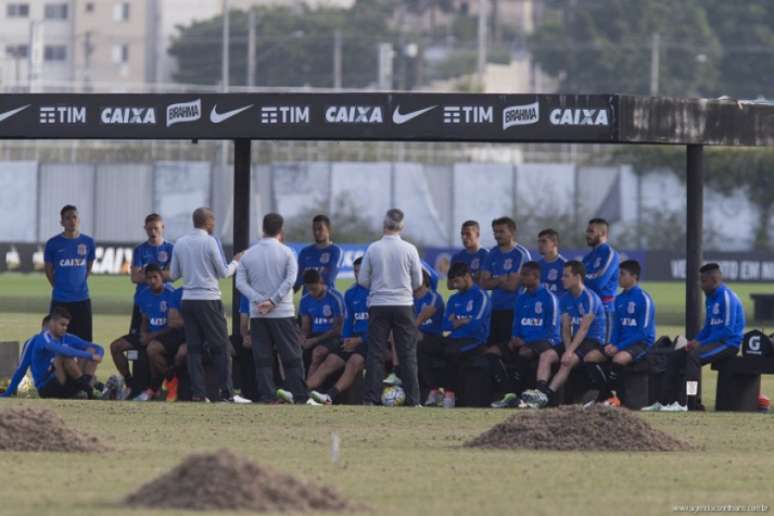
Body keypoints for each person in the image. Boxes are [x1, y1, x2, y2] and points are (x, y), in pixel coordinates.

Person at [169, 207, 247, 403]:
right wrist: (236, 262)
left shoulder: (180, 243)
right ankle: (227, 393)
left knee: (193, 349)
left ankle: (198, 393)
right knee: (220, 347)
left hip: (188, 300)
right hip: (208, 300)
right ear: (208, 222)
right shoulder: (211, 242)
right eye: (213, 221)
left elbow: (173, 275)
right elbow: (223, 272)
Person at [237, 213, 316, 405]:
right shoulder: (288, 253)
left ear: (263, 228)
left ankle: (267, 396)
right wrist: (273, 301)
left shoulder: (248, 254)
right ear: (281, 230)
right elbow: (290, 281)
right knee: (291, 356)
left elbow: (240, 283)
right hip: (282, 312)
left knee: (262, 358)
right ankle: (300, 396)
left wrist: (258, 300)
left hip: (258, 313)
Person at [520, 260, 607, 409]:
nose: (562, 279)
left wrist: (569, 352)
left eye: (566, 276)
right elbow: (566, 328)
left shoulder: (590, 298)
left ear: (578, 277)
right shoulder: (565, 298)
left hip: (591, 340)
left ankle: (546, 396)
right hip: (574, 339)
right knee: (545, 356)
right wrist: (567, 348)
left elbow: (584, 329)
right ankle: (539, 391)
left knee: (567, 361)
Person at [359, 208, 423, 406]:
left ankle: (371, 398)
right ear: (402, 226)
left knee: (376, 353)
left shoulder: (373, 248)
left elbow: (362, 280)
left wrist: (378, 287)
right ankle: (414, 400)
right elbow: (418, 281)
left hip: (379, 304)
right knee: (407, 353)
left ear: (383, 224)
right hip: (404, 304)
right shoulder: (410, 249)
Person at [661, 263, 744, 411]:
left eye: (703, 281)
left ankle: (692, 404)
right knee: (675, 357)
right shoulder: (710, 298)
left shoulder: (726, 297)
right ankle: (668, 402)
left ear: (714, 280)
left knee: (694, 357)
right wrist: (695, 340)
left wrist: (701, 343)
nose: (700, 284)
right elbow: (708, 327)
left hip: (728, 343)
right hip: (714, 342)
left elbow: (728, 330)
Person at [491, 261, 560, 408]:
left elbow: (551, 330)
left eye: (525, 274)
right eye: (521, 274)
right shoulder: (521, 298)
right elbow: (516, 323)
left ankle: (528, 395)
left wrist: (526, 341)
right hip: (523, 340)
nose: (521, 277)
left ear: (536, 276)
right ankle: (509, 394)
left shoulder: (549, 298)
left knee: (524, 352)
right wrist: (514, 338)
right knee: (491, 352)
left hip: (546, 341)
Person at [114, 264, 187, 402]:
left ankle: (161, 386)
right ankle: (130, 384)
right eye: (149, 278)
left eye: (155, 277)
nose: (152, 281)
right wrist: (143, 333)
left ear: (162, 278)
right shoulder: (142, 295)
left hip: (165, 336)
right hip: (150, 335)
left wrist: (150, 337)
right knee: (115, 347)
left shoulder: (171, 293)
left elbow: (173, 326)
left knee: (152, 349)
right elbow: (144, 319)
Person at [422, 262, 491, 408]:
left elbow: (475, 325)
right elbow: (445, 325)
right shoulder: (454, 299)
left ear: (467, 277)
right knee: (423, 345)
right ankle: (434, 389)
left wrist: (457, 321)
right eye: (453, 282)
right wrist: (463, 321)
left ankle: (450, 394)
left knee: (451, 351)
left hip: (475, 341)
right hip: (454, 339)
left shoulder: (481, 296)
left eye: (457, 281)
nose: (455, 285)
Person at [1, 308, 104, 399]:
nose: (64, 328)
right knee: (65, 356)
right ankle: (89, 389)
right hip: (47, 384)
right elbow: (21, 369)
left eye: (66, 325)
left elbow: (97, 347)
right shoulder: (39, 340)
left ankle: (86, 389)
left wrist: (97, 355)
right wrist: (8, 393)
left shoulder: (67, 337)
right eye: (62, 325)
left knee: (90, 350)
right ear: (51, 324)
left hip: (64, 380)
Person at [479, 216, 531, 398]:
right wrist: (503, 278)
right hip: (494, 310)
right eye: (495, 232)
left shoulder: (520, 254)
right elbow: (484, 283)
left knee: (511, 352)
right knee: (491, 351)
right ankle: (500, 392)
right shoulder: (492, 253)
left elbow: (513, 286)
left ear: (512, 231)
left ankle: (514, 392)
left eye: (501, 231)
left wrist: (497, 280)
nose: (497, 235)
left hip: (515, 311)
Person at [308, 256, 369, 405]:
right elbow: (348, 321)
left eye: (360, 271)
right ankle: (301, 393)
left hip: (371, 340)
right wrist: (345, 339)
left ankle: (329, 396)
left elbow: (380, 326)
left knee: (354, 362)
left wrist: (360, 340)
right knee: (331, 360)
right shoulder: (351, 293)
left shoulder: (378, 293)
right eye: (355, 271)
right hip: (353, 339)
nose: (357, 274)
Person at [602, 259, 656, 407]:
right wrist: (611, 344)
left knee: (618, 359)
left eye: (622, 274)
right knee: (595, 356)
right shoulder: (618, 299)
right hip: (622, 343)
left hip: (642, 343)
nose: (619, 277)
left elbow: (643, 333)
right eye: (619, 274)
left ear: (634, 277)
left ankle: (615, 398)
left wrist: (618, 348)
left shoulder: (644, 298)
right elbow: (617, 328)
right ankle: (606, 396)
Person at [44, 205, 96, 342]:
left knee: (84, 341)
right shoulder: (53, 243)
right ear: (61, 222)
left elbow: (88, 267)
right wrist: (59, 287)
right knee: (57, 340)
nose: (72, 221)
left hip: (82, 299)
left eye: (74, 217)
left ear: (78, 220)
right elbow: (48, 270)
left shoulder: (88, 242)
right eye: (67, 218)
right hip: (60, 300)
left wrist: (79, 284)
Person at [129, 213, 174, 335]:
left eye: (156, 228)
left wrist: (145, 274)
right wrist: (160, 274)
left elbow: (172, 276)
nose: (153, 232)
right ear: (145, 228)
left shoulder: (171, 249)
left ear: (162, 227)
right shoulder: (140, 250)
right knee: (137, 339)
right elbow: (134, 277)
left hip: (165, 299)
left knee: (165, 336)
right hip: (142, 298)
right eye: (149, 229)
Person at [298, 269, 346, 378]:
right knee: (291, 351)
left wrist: (315, 340)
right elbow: (305, 327)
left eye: (314, 289)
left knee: (318, 352)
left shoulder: (335, 298)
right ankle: (292, 384)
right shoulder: (305, 300)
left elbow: (338, 329)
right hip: (314, 335)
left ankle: (308, 388)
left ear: (321, 282)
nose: (312, 293)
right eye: (308, 289)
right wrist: (302, 338)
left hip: (333, 336)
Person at [582, 218, 620, 342]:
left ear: (603, 233)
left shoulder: (609, 254)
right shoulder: (588, 257)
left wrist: (584, 278)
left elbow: (599, 283)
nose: (587, 235)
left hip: (605, 309)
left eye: (591, 231)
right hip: (587, 309)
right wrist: (590, 277)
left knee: (603, 350)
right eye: (587, 231)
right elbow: (577, 282)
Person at [413, 269, 445, 401]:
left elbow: (422, 318)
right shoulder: (408, 298)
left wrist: (410, 328)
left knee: (418, 343)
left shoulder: (433, 297)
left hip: (434, 338)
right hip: (414, 336)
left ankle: (432, 389)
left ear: (424, 279)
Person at [294, 214, 342, 293]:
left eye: (320, 229)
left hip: (326, 300)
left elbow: (329, 279)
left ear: (329, 230)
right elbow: (298, 280)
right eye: (314, 229)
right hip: (307, 301)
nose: (316, 232)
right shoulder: (305, 252)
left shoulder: (335, 251)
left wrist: (306, 276)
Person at [450, 220, 489, 285]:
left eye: (468, 234)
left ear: (477, 234)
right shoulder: (457, 257)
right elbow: (451, 284)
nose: (464, 237)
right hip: (462, 295)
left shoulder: (486, 255)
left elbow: (482, 280)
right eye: (462, 234)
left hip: (479, 295)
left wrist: (460, 279)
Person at [536, 228, 566, 296]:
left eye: (544, 241)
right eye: (539, 241)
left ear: (555, 243)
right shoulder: (537, 265)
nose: (540, 245)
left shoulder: (565, 265)